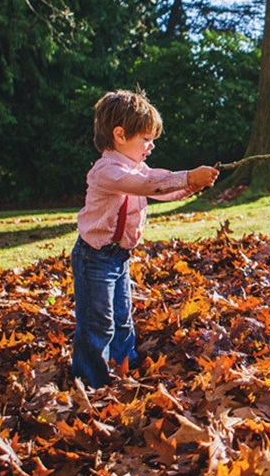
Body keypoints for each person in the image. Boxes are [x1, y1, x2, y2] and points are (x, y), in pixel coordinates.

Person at [71, 89, 219, 388]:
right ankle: (90, 382)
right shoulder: (107, 171)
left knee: (123, 317)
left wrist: (192, 187)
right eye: (146, 139)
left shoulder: (136, 167)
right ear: (120, 134)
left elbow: (159, 189)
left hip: (118, 256)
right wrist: (189, 176)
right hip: (94, 258)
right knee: (97, 322)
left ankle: (125, 369)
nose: (151, 146)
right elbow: (147, 184)